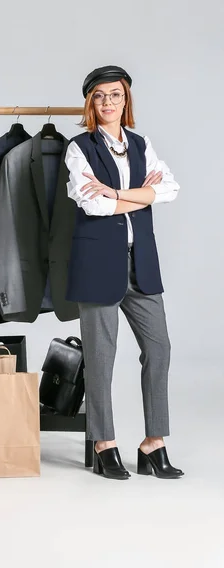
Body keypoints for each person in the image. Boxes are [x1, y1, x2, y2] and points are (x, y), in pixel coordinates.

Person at [65, 65, 184, 480]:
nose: (108, 103)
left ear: (126, 99)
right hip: (97, 262)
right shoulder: (78, 148)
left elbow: (169, 189)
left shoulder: (141, 144)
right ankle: (104, 443)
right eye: (100, 96)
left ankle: (154, 443)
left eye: (115, 95)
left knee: (160, 348)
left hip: (141, 262)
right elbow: (91, 205)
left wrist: (115, 192)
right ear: (90, 103)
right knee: (100, 357)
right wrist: (142, 195)